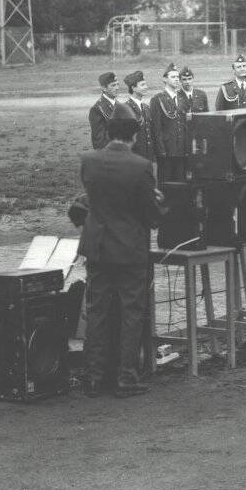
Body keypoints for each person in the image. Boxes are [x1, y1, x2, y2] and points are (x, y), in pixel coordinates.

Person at [78, 101, 164, 398]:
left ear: (110, 131)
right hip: (129, 251)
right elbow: (152, 217)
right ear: (134, 136)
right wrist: (158, 202)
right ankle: (126, 377)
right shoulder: (141, 167)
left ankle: (93, 376)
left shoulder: (88, 160)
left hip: (98, 247)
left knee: (97, 311)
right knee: (131, 313)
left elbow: (94, 199)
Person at [150, 63, 187, 183]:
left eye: (177, 77)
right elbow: (156, 128)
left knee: (181, 183)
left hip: (181, 149)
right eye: (173, 77)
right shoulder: (157, 99)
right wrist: (161, 151)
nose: (177, 79)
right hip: (167, 150)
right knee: (166, 183)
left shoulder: (182, 98)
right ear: (164, 79)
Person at [123, 70, 155, 162]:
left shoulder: (146, 107)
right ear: (133, 88)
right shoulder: (126, 108)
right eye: (142, 85)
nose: (146, 87)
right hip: (133, 158)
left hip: (147, 156)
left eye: (145, 84)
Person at [89, 72, 119, 150]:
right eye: (113, 85)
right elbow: (99, 143)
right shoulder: (97, 109)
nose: (117, 88)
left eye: (117, 84)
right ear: (104, 88)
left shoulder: (119, 105)